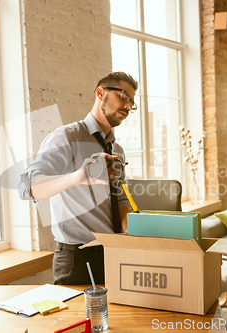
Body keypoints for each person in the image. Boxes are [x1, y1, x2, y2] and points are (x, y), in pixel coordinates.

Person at [19, 72, 138, 285]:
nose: (129, 106)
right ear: (101, 93)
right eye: (124, 97)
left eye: (132, 102)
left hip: (114, 252)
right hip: (78, 258)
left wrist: (130, 223)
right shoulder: (66, 137)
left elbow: (119, 196)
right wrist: (77, 178)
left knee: (120, 318)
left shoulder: (117, 150)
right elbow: (29, 186)